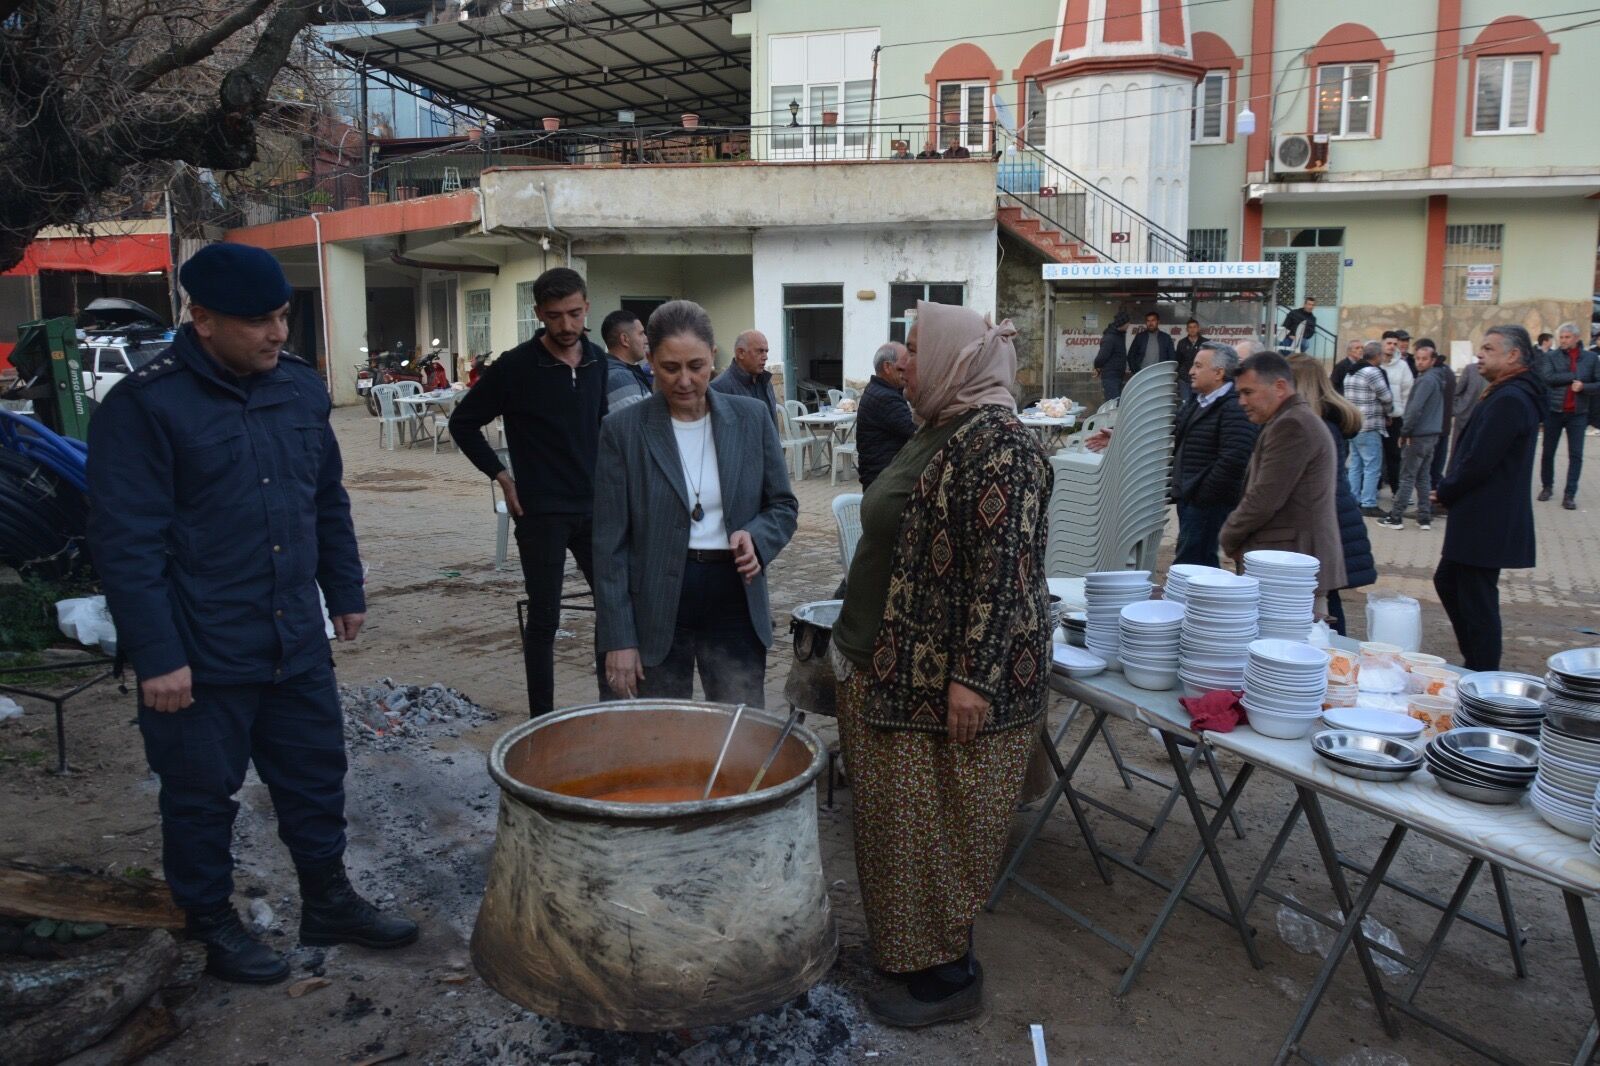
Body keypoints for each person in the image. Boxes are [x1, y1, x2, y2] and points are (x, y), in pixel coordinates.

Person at [86, 244, 417, 985]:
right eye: (259, 322)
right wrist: (158, 655)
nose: (277, 334)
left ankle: (327, 900)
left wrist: (346, 588)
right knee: (201, 797)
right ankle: (210, 926)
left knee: (314, 774)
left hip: (292, 632)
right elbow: (126, 545)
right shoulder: (145, 408)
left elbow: (324, 498)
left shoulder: (296, 391)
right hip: (200, 649)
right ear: (201, 319)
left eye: (282, 317)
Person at [831, 301, 1050, 1028]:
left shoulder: (1002, 446)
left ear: (958, 360)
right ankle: (904, 958)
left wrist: (972, 679)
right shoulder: (938, 425)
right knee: (900, 833)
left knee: (941, 838)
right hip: (893, 672)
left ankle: (944, 978)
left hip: (945, 687)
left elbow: (1004, 576)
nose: (906, 363)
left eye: (920, 350)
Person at [593, 302, 798, 707]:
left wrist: (756, 538)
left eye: (697, 366)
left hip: (734, 594)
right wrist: (618, 637)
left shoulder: (752, 418)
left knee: (737, 731)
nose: (685, 380)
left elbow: (783, 505)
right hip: (656, 598)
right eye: (670, 368)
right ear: (649, 359)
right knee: (661, 734)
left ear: (714, 356)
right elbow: (608, 545)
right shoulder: (623, 430)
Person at [450, 267, 609, 718]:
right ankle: (542, 719)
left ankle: (611, 710)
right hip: (540, 512)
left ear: (586, 309)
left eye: (574, 313)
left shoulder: (597, 360)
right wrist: (501, 475)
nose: (566, 325)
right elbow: (462, 424)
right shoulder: (515, 367)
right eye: (555, 315)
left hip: (595, 508)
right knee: (545, 618)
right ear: (538, 313)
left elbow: (601, 429)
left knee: (613, 609)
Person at [1434, 325, 1542, 670]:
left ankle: (1482, 673)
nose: (1479, 354)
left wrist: (1447, 490)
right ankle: (1476, 663)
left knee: (1476, 598)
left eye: (1489, 348)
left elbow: (1480, 461)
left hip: (1488, 518)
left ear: (1513, 356)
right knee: (1450, 581)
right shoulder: (1504, 392)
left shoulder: (1510, 398)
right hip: (1482, 514)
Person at [1089, 342, 1255, 566]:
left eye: (1198, 366)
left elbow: (1235, 459)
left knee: (1193, 563)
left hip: (1208, 503)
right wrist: (1120, 435)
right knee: (1193, 560)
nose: (1191, 371)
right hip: (1191, 498)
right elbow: (1169, 429)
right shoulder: (1201, 401)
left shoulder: (1233, 407)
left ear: (1218, 373)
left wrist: (1201, 493)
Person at [1220, 351, 1346, 613]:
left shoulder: (1292, 425)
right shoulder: (1286, 420)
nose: (1241, 401)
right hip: (1286, 566)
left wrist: (1228, 536)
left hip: (1291, 568)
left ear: (1279, 387)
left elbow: (1264, 498)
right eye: (1239, 393)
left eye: (1248, 392)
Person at [1287, 355, 1375, 635]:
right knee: (1325, 597)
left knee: (1321, 602)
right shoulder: (1329, 422)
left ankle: (1332, 657)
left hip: (1322, 524)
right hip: (1337, 518)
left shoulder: (1312, 426)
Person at [1377, 343, 1447, 531]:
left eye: (1424, 359)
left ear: (1432, 360)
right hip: (1431, 433)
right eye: (1417, 358)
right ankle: (1424, 517)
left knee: (1407, 476)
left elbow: (1415, 409)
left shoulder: (1426, 380)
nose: (1420, 362)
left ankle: (1396, 516)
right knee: (1423, 476)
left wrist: (1405, 431)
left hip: (1418, 434)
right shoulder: (1436, 379)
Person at [1536, 322, 1599, 510]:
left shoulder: (1591, 358)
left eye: (1567, 337)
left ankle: (1570, 494)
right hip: (1554, 411)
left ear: (1577, 338)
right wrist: (1572, 376)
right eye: (1561, 337)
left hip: (1578, 413)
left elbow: (1598, 383)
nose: (1563, 340)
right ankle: (1547, 487)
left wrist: (1584, 387)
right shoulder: (1551, 356)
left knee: (1576, 455)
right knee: (1548, 452)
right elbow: (1547, 377)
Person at [856, 342, 916, 489]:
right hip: (884, 483)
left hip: (882, 478)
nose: (907, 370)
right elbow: (916, 432)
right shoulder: (885, 398)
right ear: (887, 367)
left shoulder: (881, 391)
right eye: (902, 366)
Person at [1344, 341, 1393, 515]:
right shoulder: (1372, 372)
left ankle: (1353, 499)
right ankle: (1369, 503)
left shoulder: (1351, 373)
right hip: (1370, 424)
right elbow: (1386, 397)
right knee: (1372, 465)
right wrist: (1389, 413)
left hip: (1354, 425)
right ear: (1377, 356)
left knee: (1356, 464)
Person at [708, 328, 779, 422]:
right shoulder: (719, 388)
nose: (765, 357)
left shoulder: (766, 382)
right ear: (741, 353)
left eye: (766, 351)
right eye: (760, 351)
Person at [1417, 339, 1456, 493]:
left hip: (1430, 429)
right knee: (1435, 468)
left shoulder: (1431, 377)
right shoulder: (1446, 372)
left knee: (1427, 470)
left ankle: (1430, 504)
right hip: (1442, 426)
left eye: (1423, 358)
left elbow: (1418, 406)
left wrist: (1408, 429)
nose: (1419, 362)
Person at [1380, 332, 1414, 493]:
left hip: (1395, 418)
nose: (1392, 346)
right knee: (1373, 457)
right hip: (1375, 417)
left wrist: (1403, 414)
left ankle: (1396, 491)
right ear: (1382, 344)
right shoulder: (1374, 364)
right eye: (1389, 343)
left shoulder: (1402, 366)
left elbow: (1408, 392)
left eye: (1395, 343)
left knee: (1394, 456)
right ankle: (1371, 491)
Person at [600, 309, 651, 412]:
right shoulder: (620, 378)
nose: (646, 339)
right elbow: (638, 426)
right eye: (641, 334)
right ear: (625, 339)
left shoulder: (617, 371)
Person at [1092, 311, 1130, 402]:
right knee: (1113, 403)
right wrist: (1097, 366)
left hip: (1117, 376)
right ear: (1123, 323)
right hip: (1111, 377)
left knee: (1116, 402)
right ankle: (1111, 417)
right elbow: (1101, 357)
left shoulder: (1119, 335)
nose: (1129, 325)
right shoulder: (1110, 337)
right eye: (1128, 323)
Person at [1127, 310, 1174, 375]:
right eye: (1148, 321)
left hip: (1160, 374)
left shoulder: (1166, 338)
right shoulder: (1140, 337)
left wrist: (1167, 372)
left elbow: (1172, 357)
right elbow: (1131, 356)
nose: (1150, 323)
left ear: (1158, 321)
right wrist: (1135, 371)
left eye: (1153, 320)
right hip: (1142, 374)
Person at [1174, 318, 1207, 404]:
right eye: (1190, 327)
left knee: (1199, 404)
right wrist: (1180, 375)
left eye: (1194, 327)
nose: (1192, 329)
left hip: (1200, 379)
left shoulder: (1206, 343)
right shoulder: (1181, 343)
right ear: (1187, 329)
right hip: (1184, 380)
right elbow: (1177, 361)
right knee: (1185, 404)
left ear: (1198, 328)